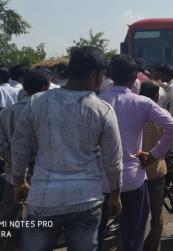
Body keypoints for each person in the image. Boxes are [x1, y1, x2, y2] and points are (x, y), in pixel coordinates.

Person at [12, 46, 123, 250]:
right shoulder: (102, 110)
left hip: (43, 198)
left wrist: (20, 181)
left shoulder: (37, 102)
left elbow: (20, 146)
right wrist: (115, 194)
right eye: (102, 75)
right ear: (93, 75)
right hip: (86, 199)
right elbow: (113, 161)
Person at [98, 55, 173, 251]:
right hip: (133, 180)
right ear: (135, 78)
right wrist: (153, 154)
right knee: (133, 238)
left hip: (100, 181)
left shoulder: (96, 102)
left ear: (109, 75)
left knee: (97, 238)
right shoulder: (142, 103)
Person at [0, 69, 50, 249]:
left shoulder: (7, 112)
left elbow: (2, 146)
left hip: (13, 175)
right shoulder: (48, 113)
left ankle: (8, 244)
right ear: (45, 87)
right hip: (43, 174)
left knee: (8, 215)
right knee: (42, 218)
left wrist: (15, 162)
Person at [139, 81, 170, 251]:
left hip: (136, 172)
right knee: (157, 215)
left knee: (135, 213)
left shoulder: (133, 113)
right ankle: (152, 246)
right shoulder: (163, 114)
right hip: (157, 170)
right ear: (157, 96)